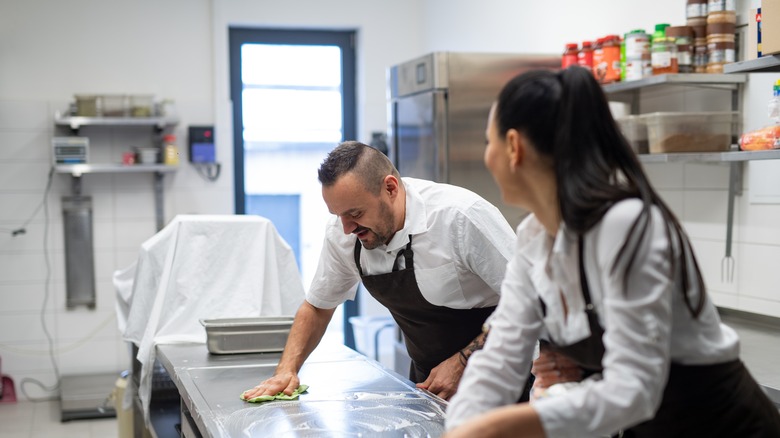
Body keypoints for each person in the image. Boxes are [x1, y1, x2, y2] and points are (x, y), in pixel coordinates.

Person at [445, 66, 780, 437]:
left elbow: (633, 389)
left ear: (513, 147)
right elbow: (501, 357)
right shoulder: (534, 238)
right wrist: (460, 426)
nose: (486, 156)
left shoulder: (626, 224)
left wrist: (502, 425)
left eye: (487, 142)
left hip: (724, 426)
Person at [242, 140, 518, 401]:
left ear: (390, 188)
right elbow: (318, 307)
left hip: (502, 376)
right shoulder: (344, 233)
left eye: (356, 213)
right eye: (338, 215)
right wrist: (286, 371)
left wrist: (462, 362)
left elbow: (532, 301)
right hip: (431, 382)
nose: (348, 227)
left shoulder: (460, 217)